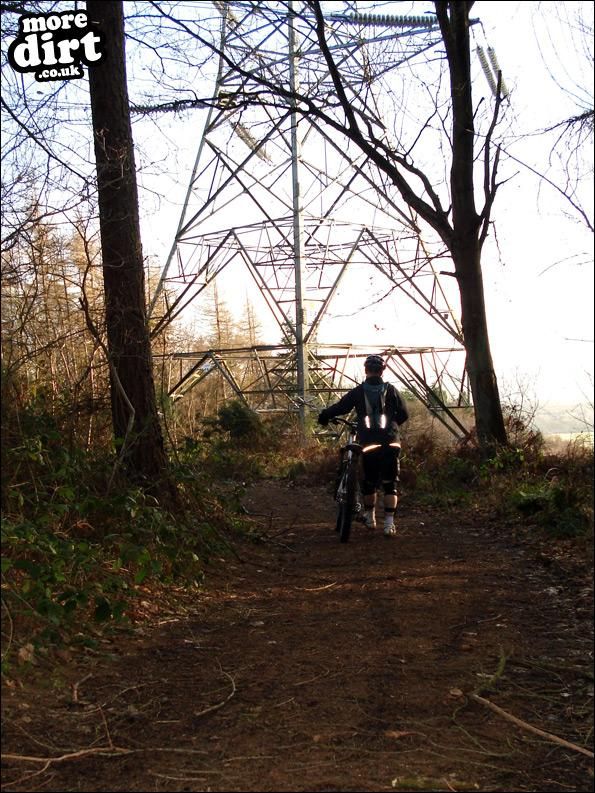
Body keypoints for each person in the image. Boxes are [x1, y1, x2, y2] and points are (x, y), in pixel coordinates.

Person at [317, 354, 409, 537]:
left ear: (366, 370)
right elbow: (404, 414)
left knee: (369, 482)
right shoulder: (391, 390)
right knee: (390, 484)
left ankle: (370, 518)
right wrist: (392, 426)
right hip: (391, 442)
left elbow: (341, 407)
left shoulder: (358, 392)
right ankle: (389, 525)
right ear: (383, 371)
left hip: (368, 442)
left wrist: (324, 415)